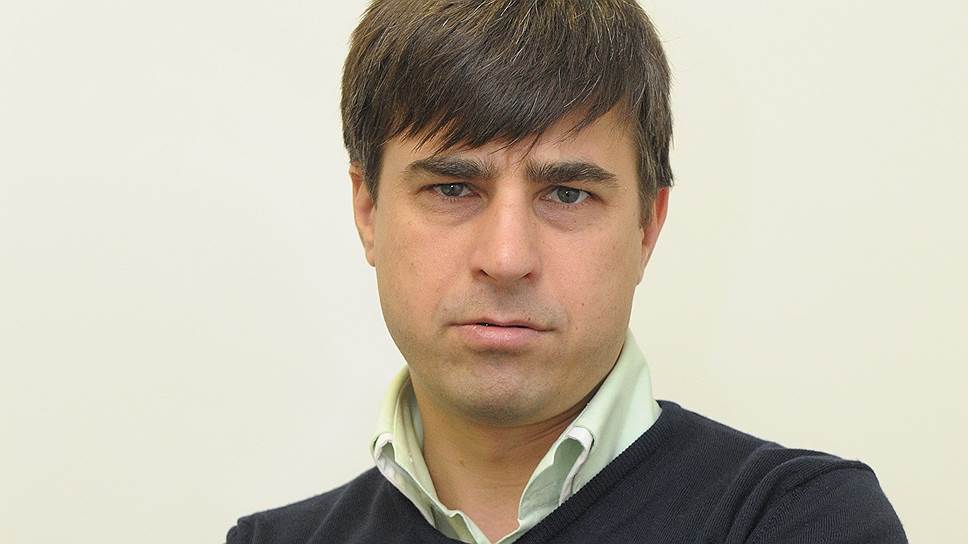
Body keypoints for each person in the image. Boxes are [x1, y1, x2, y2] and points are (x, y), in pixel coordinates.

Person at [226, 1, 907, 542]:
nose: (506, 259)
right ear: (368, 210)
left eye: (568, 194)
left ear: (647, 226)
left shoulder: (798, 521)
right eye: (452, 189)